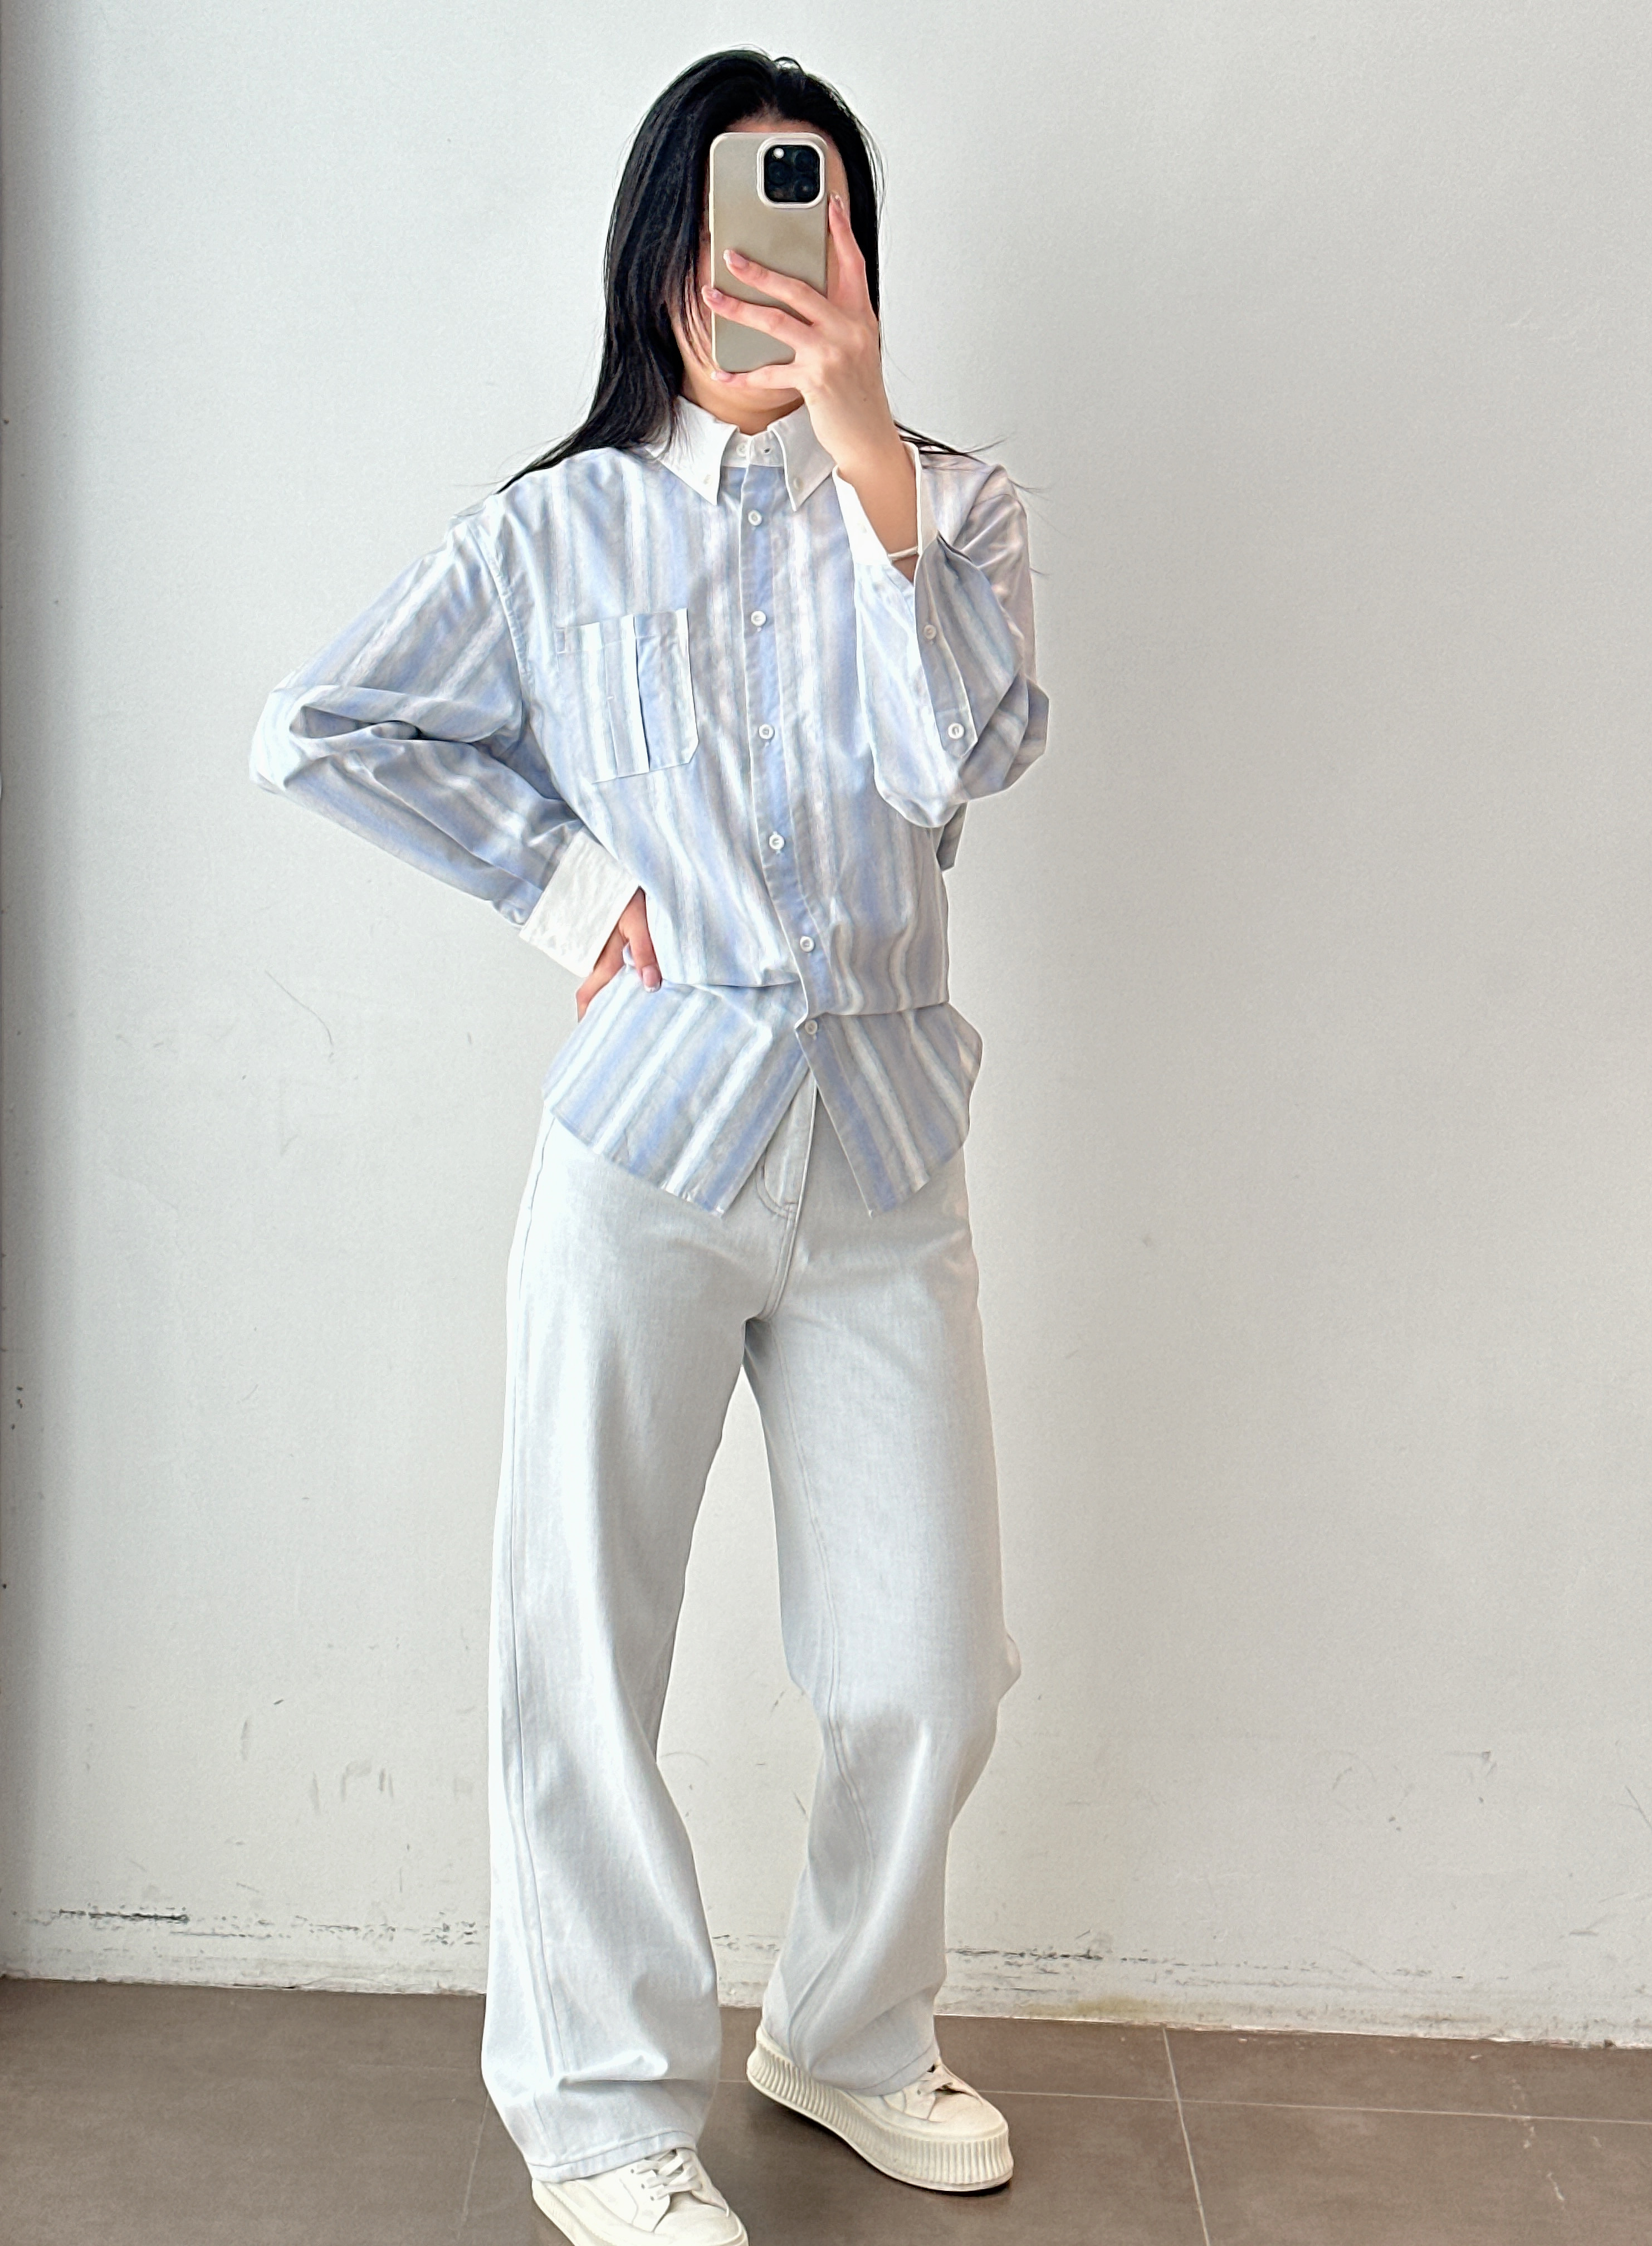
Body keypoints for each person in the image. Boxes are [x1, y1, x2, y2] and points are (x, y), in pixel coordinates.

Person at [251, 48, 1048, 2246]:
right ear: (652, 255)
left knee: (928, 1666)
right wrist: (566, 886)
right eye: (713, 223)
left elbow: (966, 755)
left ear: (856, 252)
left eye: (800, 214)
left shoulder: (958, 504)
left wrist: (868, 460)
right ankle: (597, 2104)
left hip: (884, 1144)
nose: (750, 267)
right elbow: (321, 723)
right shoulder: (555, 530)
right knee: (583, 1641)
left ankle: (848, 2035)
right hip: (654, 1144)